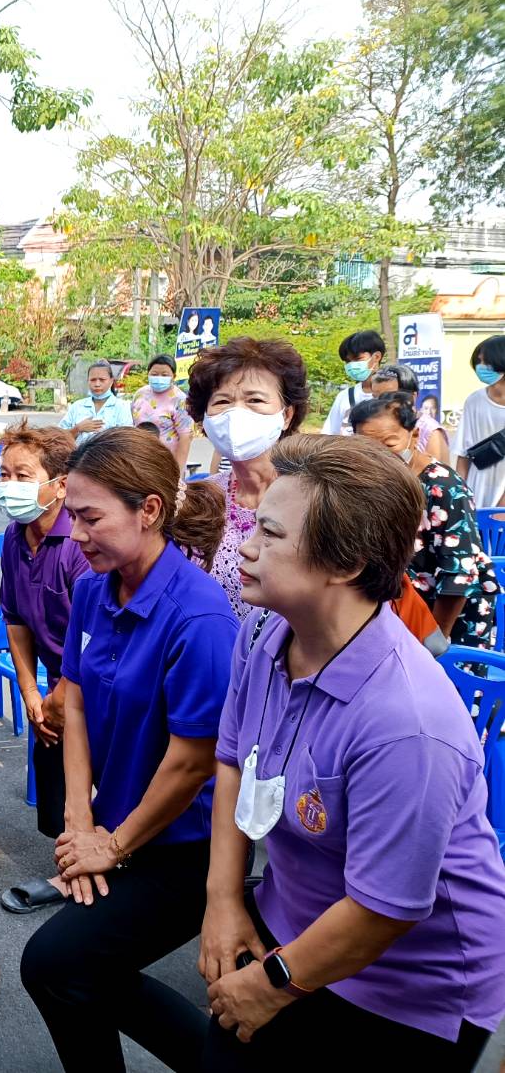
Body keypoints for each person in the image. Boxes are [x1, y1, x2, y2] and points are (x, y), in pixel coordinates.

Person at [201, 434, 505, 1070]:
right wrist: (222, 900)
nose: (246, 547)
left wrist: (270, 985)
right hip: (297, 917)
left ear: (347, 563)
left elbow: (383, 910)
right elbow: (232, 759)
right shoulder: (264, 630)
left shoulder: (406, 723)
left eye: (271, 535)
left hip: (409, 982)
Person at [19, 426, 238, 1073]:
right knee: (76, 971)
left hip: (184, 845)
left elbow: (192, 762)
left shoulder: (200, 618)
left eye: (91, 518)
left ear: (149, 510)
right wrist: (78, 820)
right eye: (72, 515)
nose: (75, 534)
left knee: (56, 964)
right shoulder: (94, 588)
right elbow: (76, 704)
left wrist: (111, 847)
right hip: (112, 825)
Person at [0, 421, 92, 917]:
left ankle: (94, 863)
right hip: (55, 679)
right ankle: (73, 852)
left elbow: (95, 637)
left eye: (23, 475)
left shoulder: (79, 543)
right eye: (4, 474)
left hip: (99, 677)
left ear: (60, 483)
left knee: (102, 772)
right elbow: (15, 620)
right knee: (52, 763)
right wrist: (32, 694)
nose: (10, 485)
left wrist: (61, 698)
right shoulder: (15, 537)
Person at [350, 394, 498, 648]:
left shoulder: (443, 487)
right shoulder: (373, 482)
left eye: (390, 444)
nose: (379, 457)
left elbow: (458, 574)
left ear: (414, 435)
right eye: (368, 449)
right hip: (401, 612)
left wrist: (433, 643)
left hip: (449, 617)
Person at [186, 337, 310, 618]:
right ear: (205, 419)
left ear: (287, 415)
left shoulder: (312, 497)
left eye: (255, 400)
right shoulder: (200, 498)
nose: (236, 413)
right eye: (222, 401)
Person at [456, 334, 505, 509]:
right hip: (477, 489)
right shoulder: (474, 401)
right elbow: (463, 453)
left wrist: (501, 508)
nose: (480, 366)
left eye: (485, 362)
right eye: (479, 361)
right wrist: (461, 496)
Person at [369, 362, 449, 462]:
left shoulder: (430, 431)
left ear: (412, 397)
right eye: (375, 398)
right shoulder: (372, 426)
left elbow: (437, 469)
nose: (380, 404)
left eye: (388, 397)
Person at [132, 354, 194, 469]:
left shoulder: (180, 400)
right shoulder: (140, 394)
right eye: (154, 374)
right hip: (140, 460)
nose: (159, 378)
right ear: (148, 374)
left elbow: (185, 437)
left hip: (167, 463)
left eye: (164, 375)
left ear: (174, 376)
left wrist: (178, 471)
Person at [321, 329, 386, 435]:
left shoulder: (393, 395)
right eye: (348, 361)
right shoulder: (344, 396)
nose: (352, 365)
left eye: (358, 359)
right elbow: (329, 433)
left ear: (376, 357)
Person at [59, 360, 132, 446]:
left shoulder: (122, 407)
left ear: (111, 381)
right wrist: (77, 429)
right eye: (93, 380)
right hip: (77, 454)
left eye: (102, 380)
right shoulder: (77, 406)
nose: (97, 384)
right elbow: (58, 437)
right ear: (88, 381)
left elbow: (127, 440)